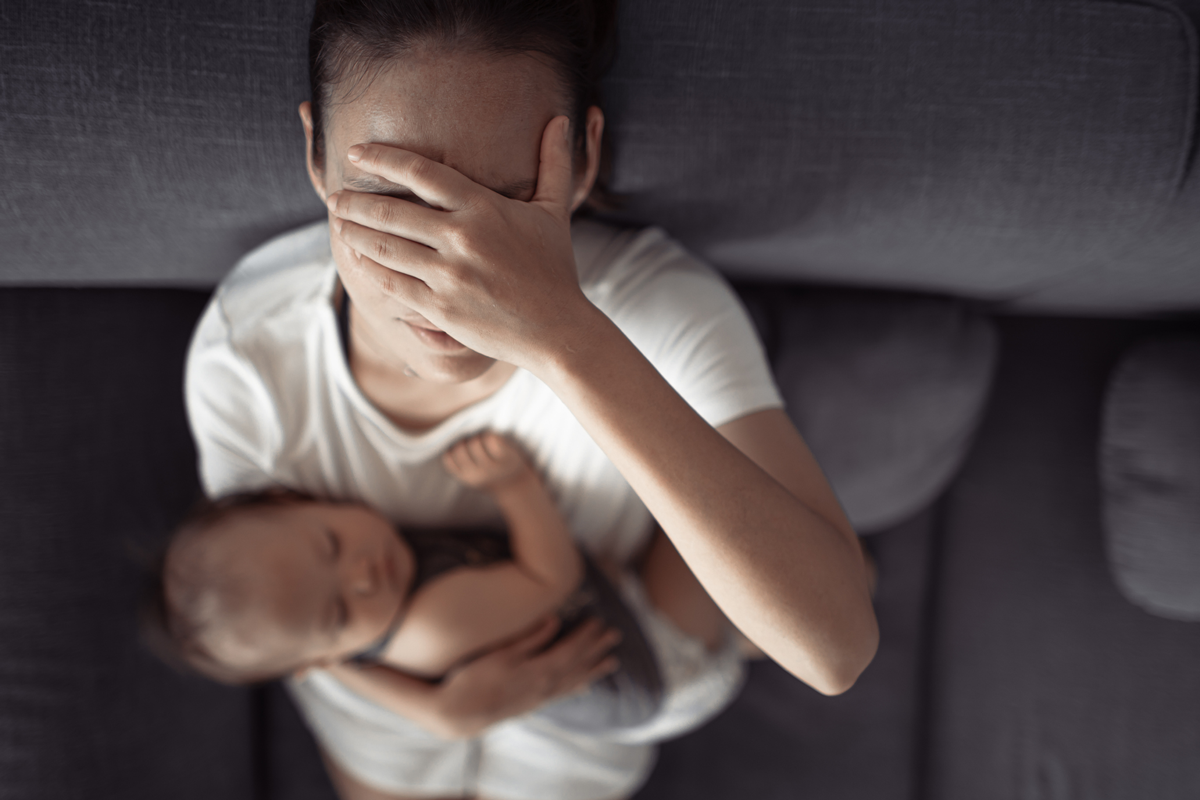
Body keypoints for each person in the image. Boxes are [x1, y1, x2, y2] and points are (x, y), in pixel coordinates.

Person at [185, 0, 879, 797]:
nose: (451, 276)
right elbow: (283, 624)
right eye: (393, 206)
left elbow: (835, 651)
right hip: (390, 692)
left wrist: (563, 336)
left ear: (582, 159)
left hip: (600, 658)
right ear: (316, 153)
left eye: (505, 207)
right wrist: (435, 712)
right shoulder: (249, 357)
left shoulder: (652, 308)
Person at [150, 431, 728, 738]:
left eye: (330, 544)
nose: (363, 574)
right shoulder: (431, 626)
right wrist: (513, 485)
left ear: (293, 498)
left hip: (620, 634)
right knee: (716, 505)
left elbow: (363, 676)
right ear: (327, 652)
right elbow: (552, 576)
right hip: (654, 652)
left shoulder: (336, 654)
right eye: (338, 613)